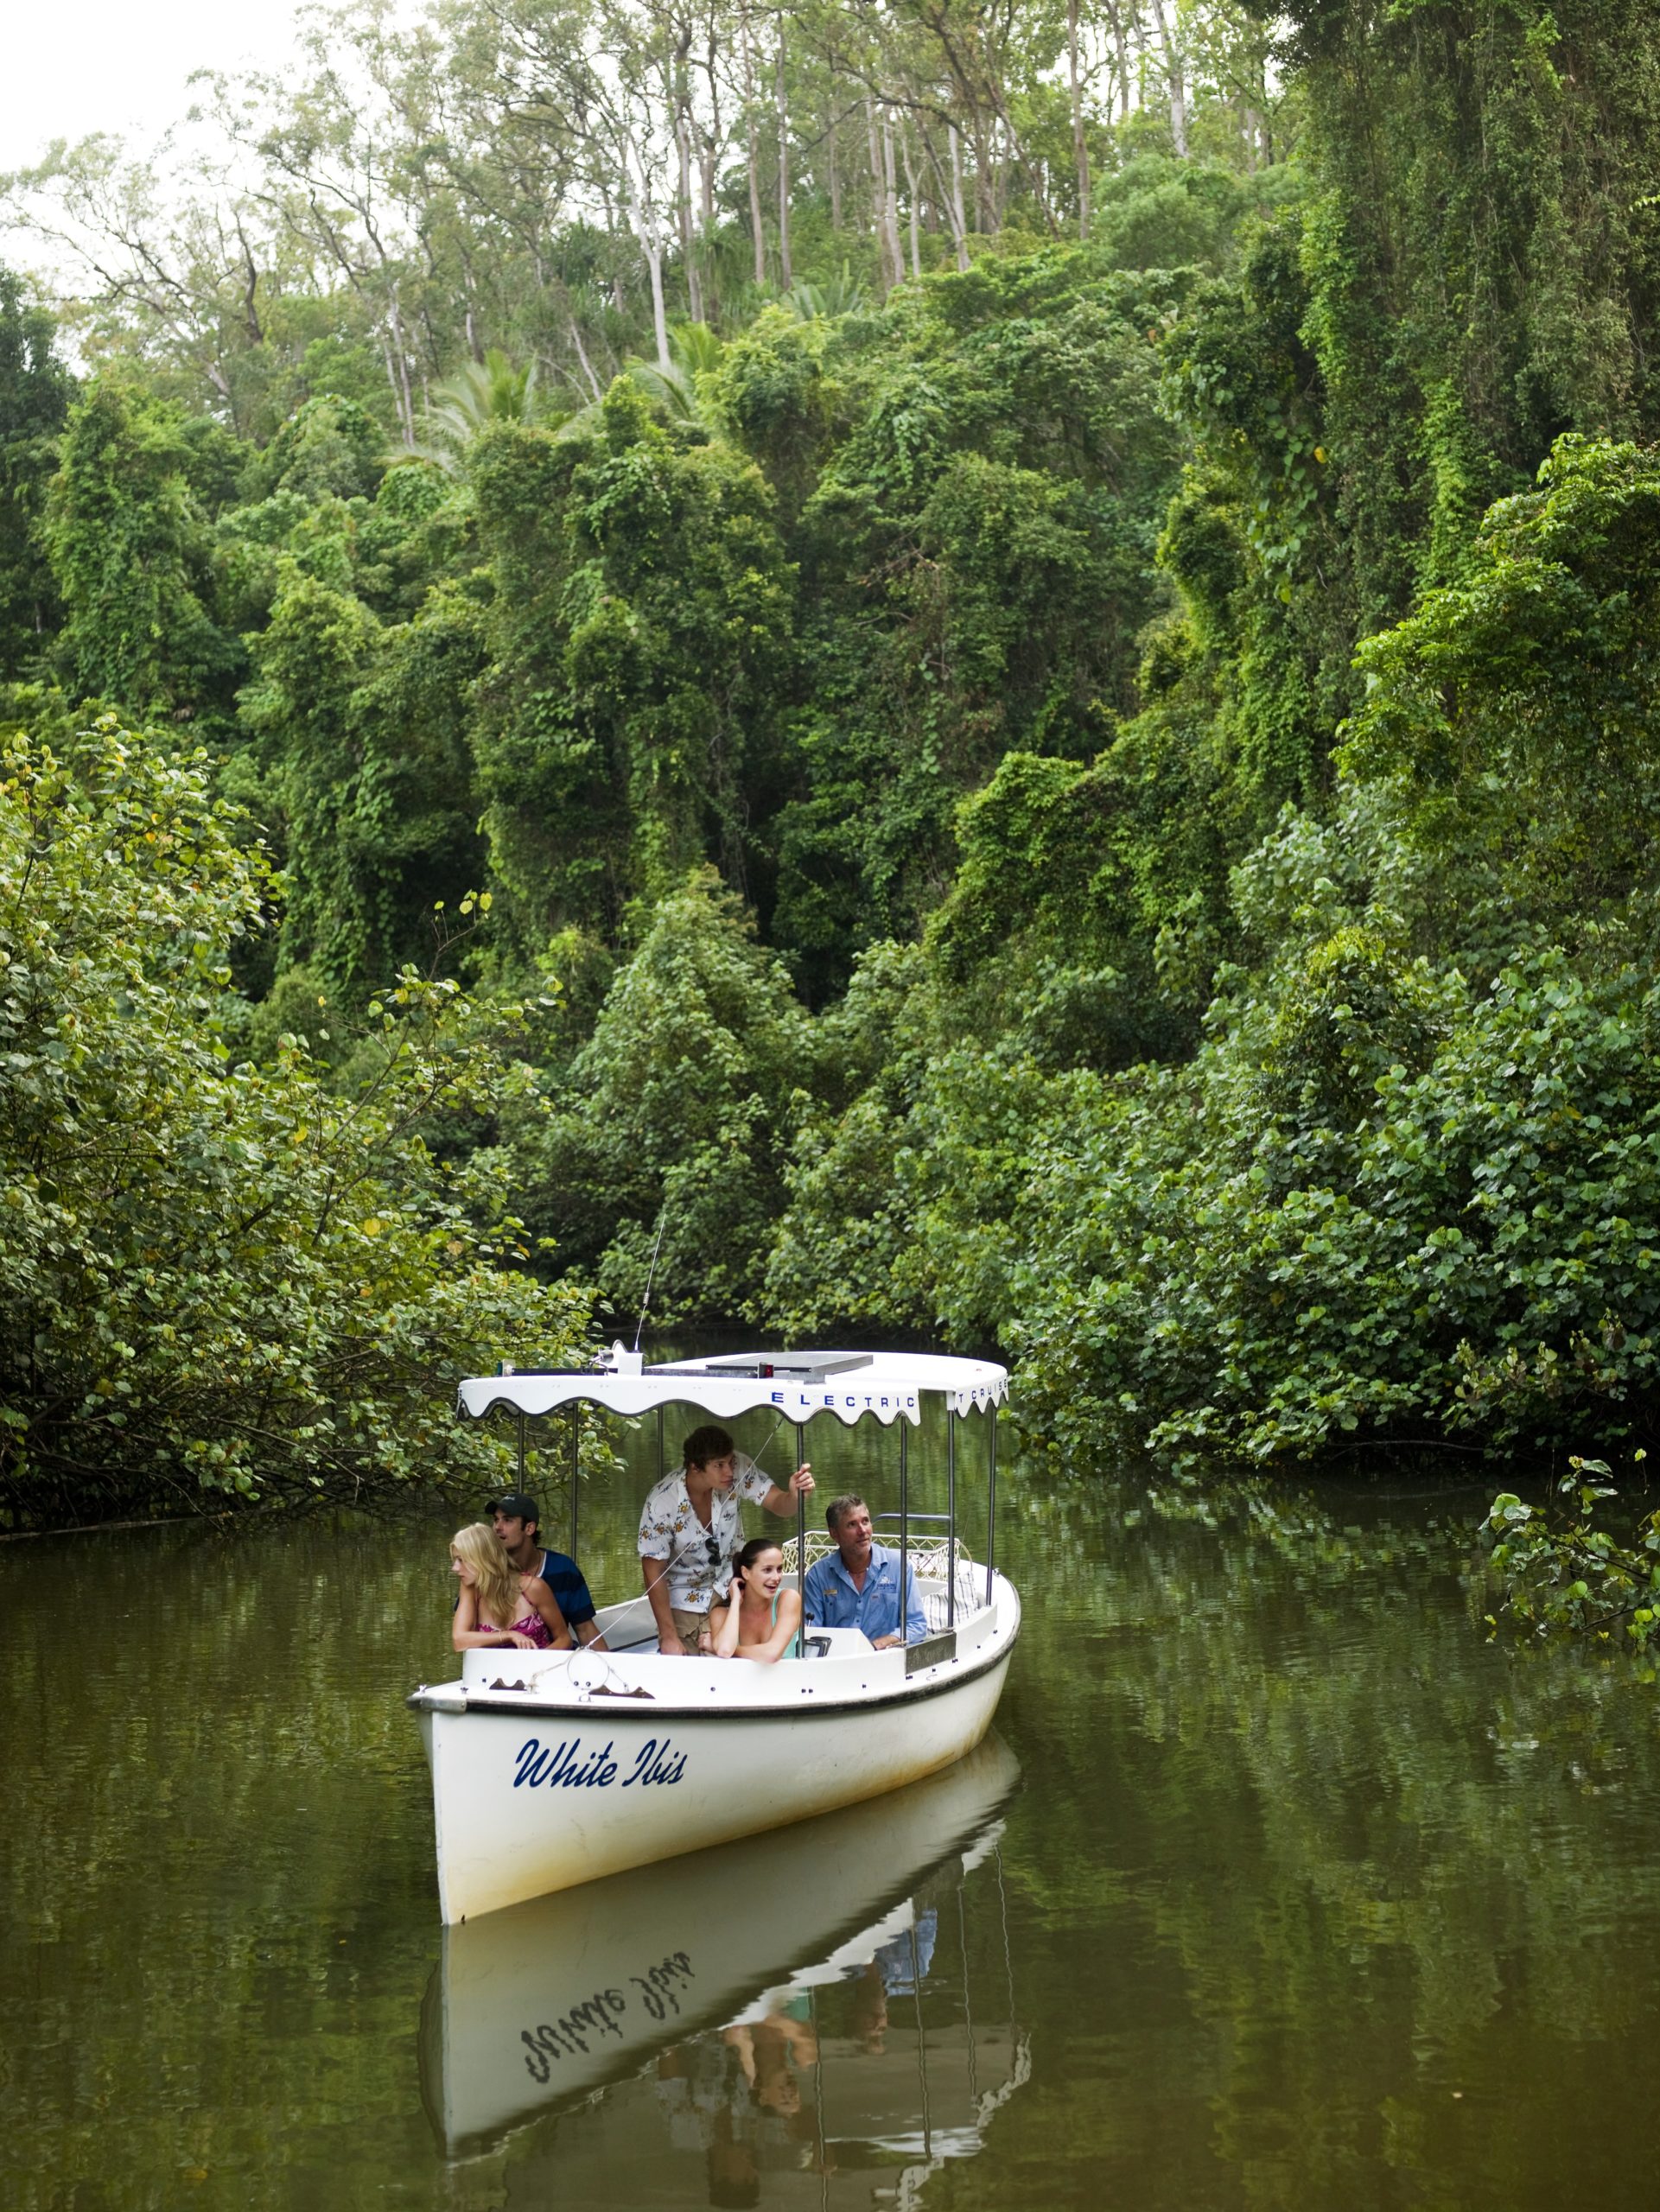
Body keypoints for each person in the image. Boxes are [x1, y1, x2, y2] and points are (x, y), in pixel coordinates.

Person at [638, 1425, 815, 1656]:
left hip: (730, 1590)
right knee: (693, 1680)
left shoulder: (737, 1468)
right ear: (695, 1467)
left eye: (730, 1462)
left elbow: (781, 1506)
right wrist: (669, 1636)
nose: (729, 1471)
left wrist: (794, 1495)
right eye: (719, 1465)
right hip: (683, 1603)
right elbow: (653, 1572)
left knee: (737, 1671)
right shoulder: (662, 1502)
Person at [801, 1494, 928, 1649]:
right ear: (834, 1534)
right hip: (835, 1663)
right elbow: (811, 1631)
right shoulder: (818, 1575)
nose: (862, 1531)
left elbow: (916, 1625)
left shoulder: (899, 1567)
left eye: (865, 1521)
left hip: (886, 1661)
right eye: (852, 1525)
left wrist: (875, 1646)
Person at [488, 1491, 609, 1651]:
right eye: (496, 1520)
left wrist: (609, 1670)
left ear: (530, 1528)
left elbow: (585, 1630)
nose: (497, 1527)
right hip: (495, 1668)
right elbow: (464, 1634)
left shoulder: (563, 1569)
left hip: (552, 1664)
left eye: (508, 1520)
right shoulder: (485, 1570)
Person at [449, 1522, 574, 1651]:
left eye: (461, 1560)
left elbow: (564, 1639)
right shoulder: (470, 1588)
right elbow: (459, 1641)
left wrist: (536, 1665)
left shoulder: (534, 1587)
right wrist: (508, 1635)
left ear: (484, 1559)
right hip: (492, 1671)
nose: (455, 1568)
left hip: (539, 1668)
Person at [708, 1537, 801, 1662]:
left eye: (779, 1569)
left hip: (785, 1681)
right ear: (746, 1573)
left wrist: (725, 1649)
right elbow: (724, 1650)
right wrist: (735, 1601)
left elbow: (771, 1655)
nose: (776, 1577)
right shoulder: (720, 1613)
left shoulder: (788, 1599)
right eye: (767, 1570)